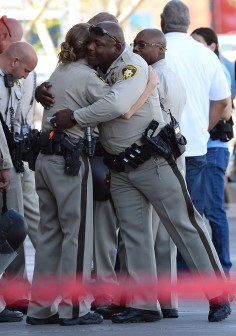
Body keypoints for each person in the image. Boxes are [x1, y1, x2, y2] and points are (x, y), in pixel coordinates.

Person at [51, 21, 231, 324]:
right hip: (121, 167)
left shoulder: (130, 66)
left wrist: (75, 117)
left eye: (98, 43)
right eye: (90, 44)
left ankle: (218, 294)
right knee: (134, 237)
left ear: (115, 45)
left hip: (153, 161)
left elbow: (119, 105)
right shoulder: (103, 71)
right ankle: (144, 304)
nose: (91, 48)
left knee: (184, 225)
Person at [160, 0, 232, 271]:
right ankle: (193, 275)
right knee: (193, 216)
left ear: (162, 20)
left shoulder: (152, 49)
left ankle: (168, 281)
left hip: (157, 149)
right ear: (188, 22)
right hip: (197, 148)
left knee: (159, 219)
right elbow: (222, 101)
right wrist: (202, 127)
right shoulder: (204, 55)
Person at [130, 27, 187, 318]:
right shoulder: (171, 75)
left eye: (142, 45)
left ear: (160, 49)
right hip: (172, 153)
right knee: (165, 237)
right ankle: (169, 302)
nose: (136, 49)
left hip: (156, 157)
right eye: (134, 44)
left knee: (147, 235)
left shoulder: (154, 77)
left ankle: (149, 301)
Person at [0, 16, 40, 314]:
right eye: (25, 70)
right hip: (6, 163)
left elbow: (16, 121)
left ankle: (16, 293)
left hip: (15, 160)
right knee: (11, 228)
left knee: (18, 225)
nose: (27, 76)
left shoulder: (13, 81)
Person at [191, 27, 233, 276]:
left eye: (198, 42)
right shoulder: (202, 66)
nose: (193, 46)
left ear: (212, 46)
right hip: (201, 147)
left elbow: (225, 110)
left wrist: (202, 129)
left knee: (214, 210)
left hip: (213, 147)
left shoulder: (218, 68)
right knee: (195, 209)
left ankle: (223, 269)